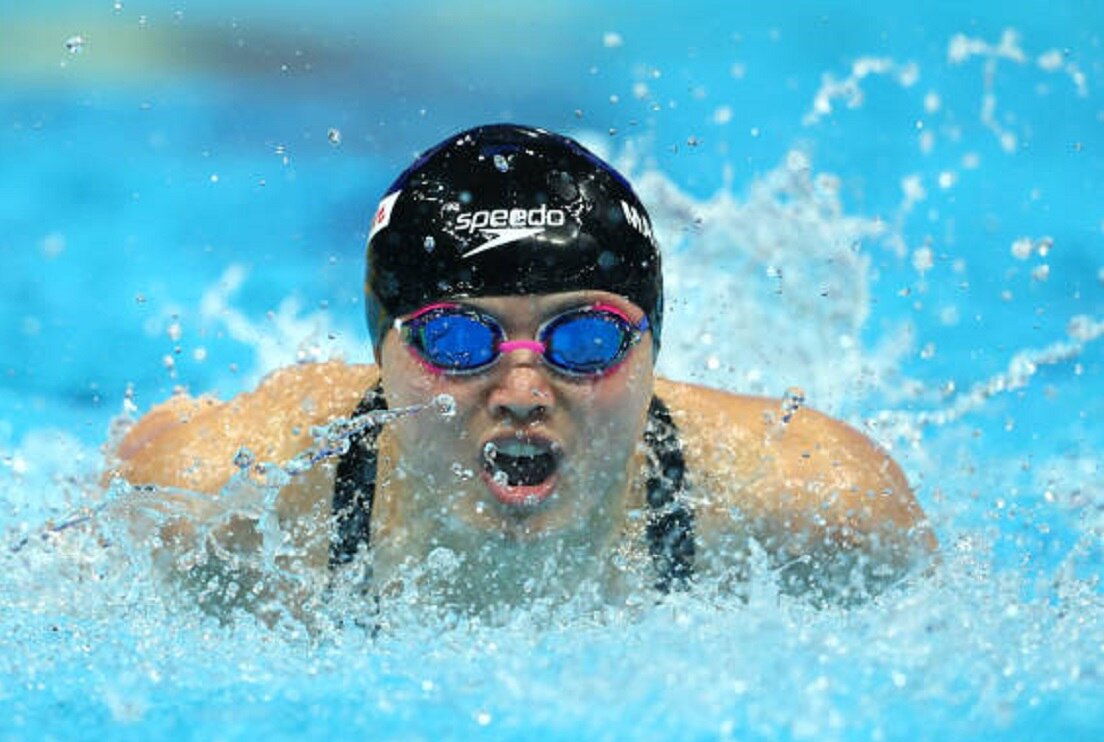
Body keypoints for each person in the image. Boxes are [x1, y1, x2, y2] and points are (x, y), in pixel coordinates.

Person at [107, 124, 935, 613]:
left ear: (652, 350)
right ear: (382, 352)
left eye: (585, 341)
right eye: (459, 342)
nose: (522, 393)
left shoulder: (822, 507)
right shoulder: (222, 509)